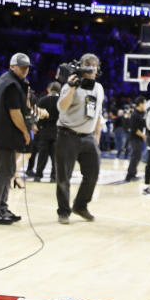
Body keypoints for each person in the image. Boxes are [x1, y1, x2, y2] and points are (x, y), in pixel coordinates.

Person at [0, 53, 32, 225]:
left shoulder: (7, 81)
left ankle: (1, 207)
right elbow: (15, 112)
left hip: (1, 135)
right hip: (0, 135)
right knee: (2, 173)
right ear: (12, 66)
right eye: (22, 67)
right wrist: (25, 132)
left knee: (8, 171)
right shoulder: (11, 85)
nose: (25, 70)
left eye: (27, 67)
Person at [55, 53, 104, 223]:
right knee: (64, 176)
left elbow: (98, 114)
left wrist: (96, 137)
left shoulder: (99, 88)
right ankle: (63, 211)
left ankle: (80, 206)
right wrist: (71, 88)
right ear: (82, 67)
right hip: (67, 134)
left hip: (88, 137)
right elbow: (61, 107)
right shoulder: (71, 84)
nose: (91, 69)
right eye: (88, 65)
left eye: (94, 65)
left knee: (93, 173)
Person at [30, 81, 61, 182]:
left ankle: (38, 175)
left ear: (49, 89)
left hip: (44, 131)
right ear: (59, 90)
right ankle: (54, 176)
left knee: (42, 155)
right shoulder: (61, 101)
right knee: (55, 156)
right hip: (57, 131)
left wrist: (36, 125)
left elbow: (36, 115)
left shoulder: (43, 100)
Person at [124, 95, 147, 183]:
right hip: (134, 138)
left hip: (139, 138)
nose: (145, 104)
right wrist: (143, 136)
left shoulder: (143, 113)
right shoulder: (135, 114)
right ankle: (129, 175)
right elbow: (134, 129)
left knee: (137, 156)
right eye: (144, 103)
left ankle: (133, 173)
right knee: (135, 156)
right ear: (140, 104)